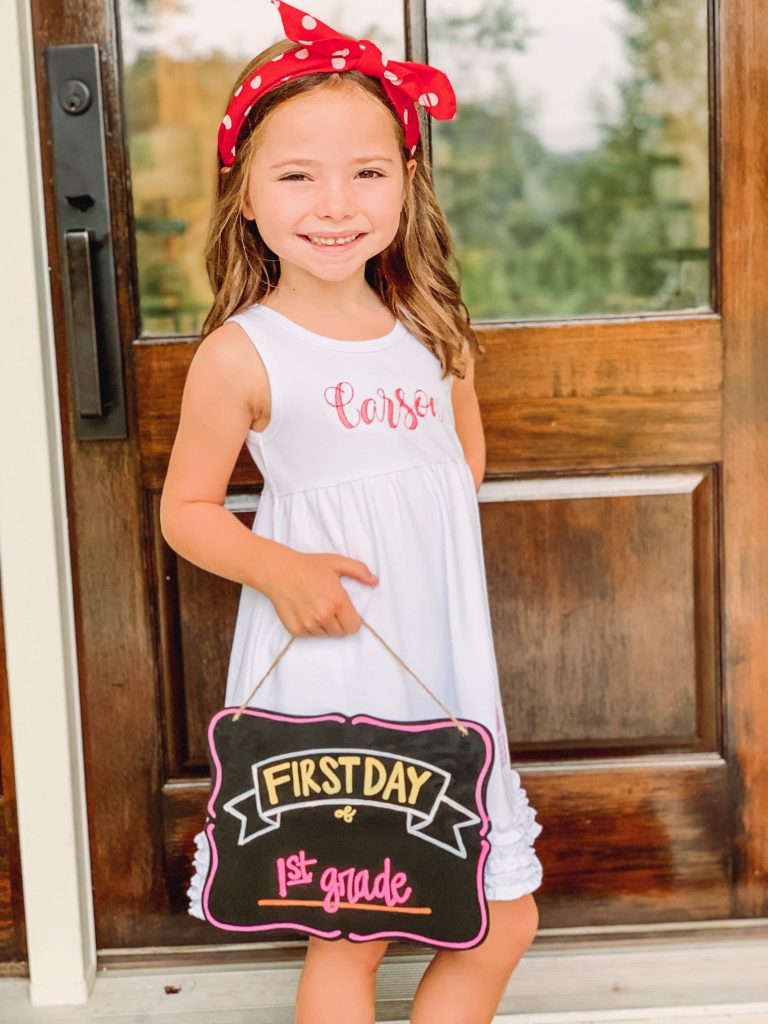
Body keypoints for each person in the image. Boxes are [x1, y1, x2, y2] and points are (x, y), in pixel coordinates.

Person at [160, 2, 543, 1021]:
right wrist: (280, 568)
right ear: (245, 196)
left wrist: (425, 554)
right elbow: (188, 509)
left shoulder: (432, 326)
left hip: (441, 667)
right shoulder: (244, 353)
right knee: (356, 926)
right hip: (336, 674)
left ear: (407, 183)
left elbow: (458, 461)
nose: (335, 203)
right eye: (297, 176)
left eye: (367, 171)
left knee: (501, 919)